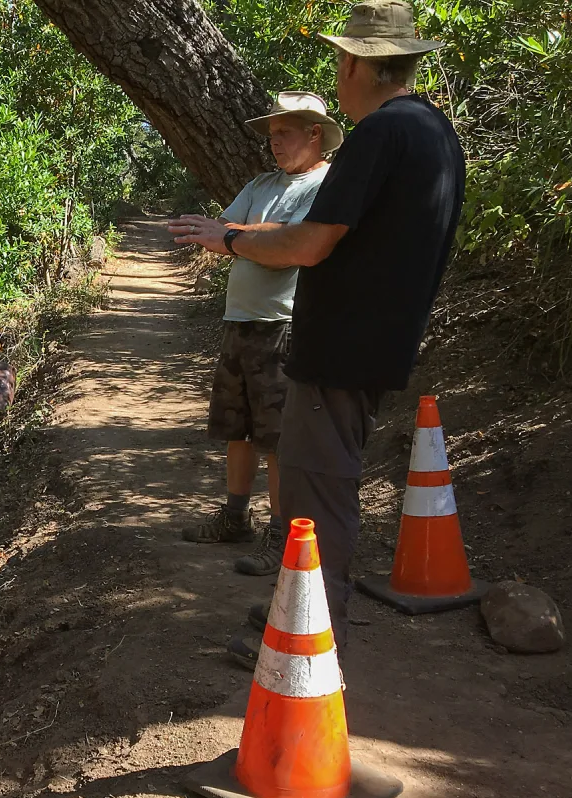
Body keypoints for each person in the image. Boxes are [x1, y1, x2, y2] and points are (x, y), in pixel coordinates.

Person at [171, 0, 465, 666]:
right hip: (375, 343)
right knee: (318, 479)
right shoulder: (434, 133)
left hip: (339, 348)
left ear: (356, 63)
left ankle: (308, 632)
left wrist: (231, 240)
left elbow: (309, 243)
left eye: (339, 60)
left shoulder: (381, 133)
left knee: (315, 486)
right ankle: (296, 601)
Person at [172, 92, 342, 578]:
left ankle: (281, 532)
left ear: (315, 134)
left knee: (278, 438)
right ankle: (235, 516)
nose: (274, 142)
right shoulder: (262, 183)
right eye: (270, 134)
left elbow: (289, 243)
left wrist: (242, 235)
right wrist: (245, 235)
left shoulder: (326, 186)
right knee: (237, 427)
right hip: (240, 320)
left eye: (283, 131)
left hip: (284, 324)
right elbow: (228, 233)